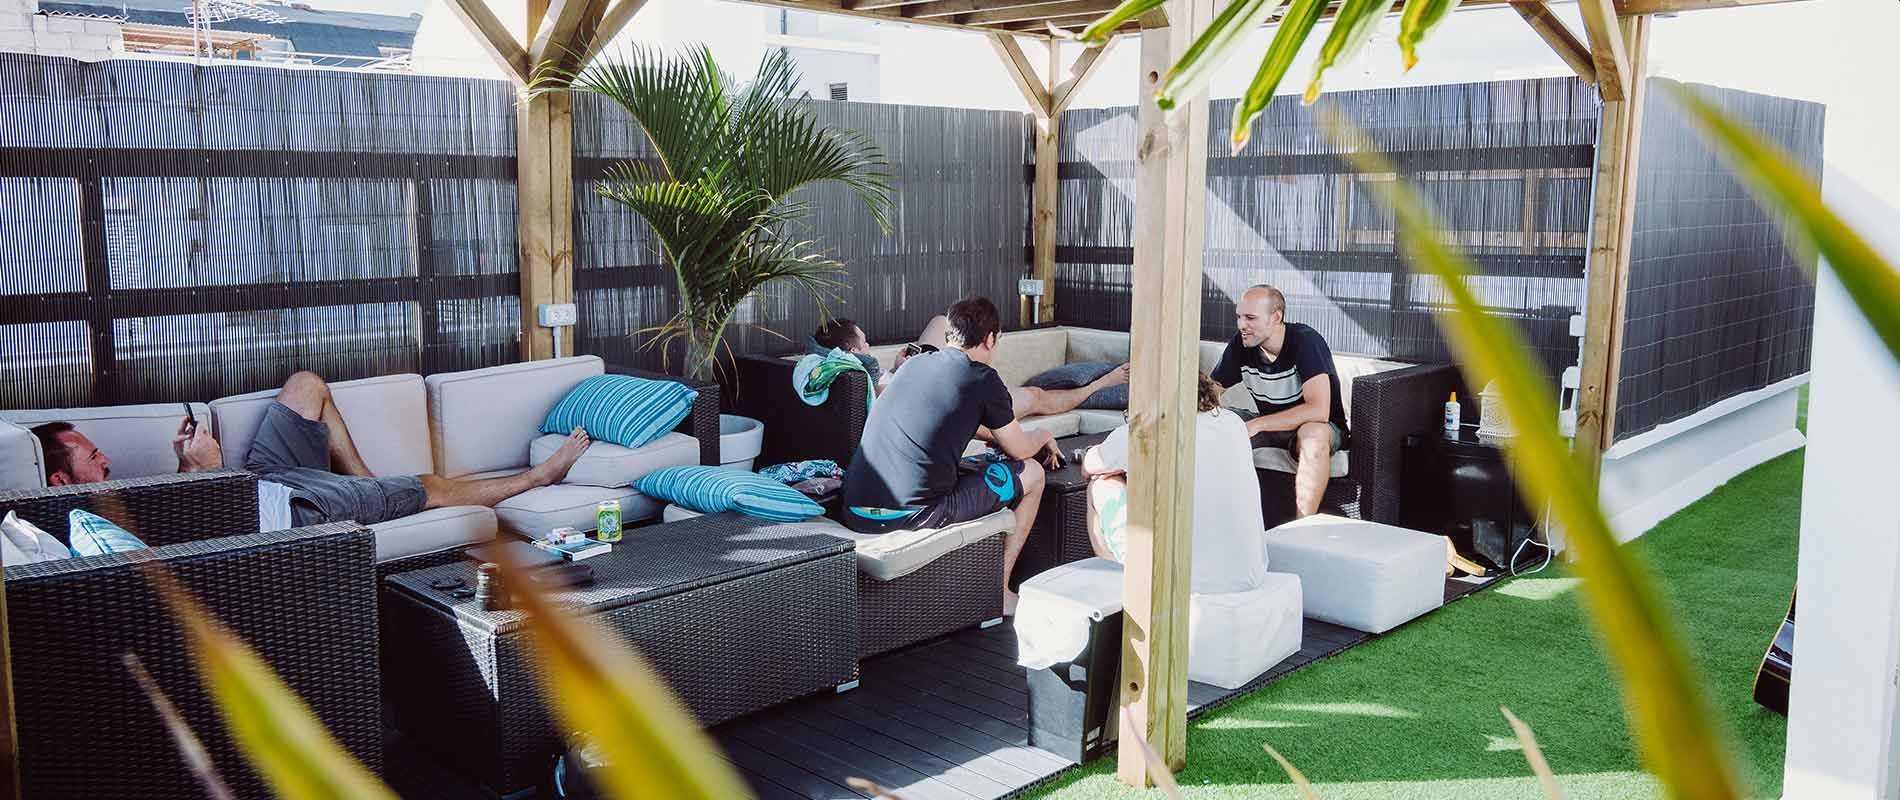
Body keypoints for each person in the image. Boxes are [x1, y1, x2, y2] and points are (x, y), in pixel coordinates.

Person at [31, 371, 592, 528]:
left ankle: (367, 484)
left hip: (261, 479)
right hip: (288, 509)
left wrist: (187, 466)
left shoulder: (107, 498)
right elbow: (216, 539)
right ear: (60, 481)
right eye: (90, 457)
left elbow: (187, 507)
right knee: (430, 486)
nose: (105, 459)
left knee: (306, 386)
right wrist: (210, 471)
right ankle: (537, 477)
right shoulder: (94, 527)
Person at [841, 296, 1057, 614]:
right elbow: (1021, 449)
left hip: (853, 509)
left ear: (948, 335)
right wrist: (1044, 435)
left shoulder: (913, 365)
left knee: (975, 465)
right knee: (1033, 473)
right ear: (990, 338)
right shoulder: (983, 378)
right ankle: (999, 593)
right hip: (909, 515)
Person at [1076, 371, 1265, 594]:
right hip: (1249, 573)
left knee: (1100, 485)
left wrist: (1114, 461)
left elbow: (1089, 467)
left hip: (1182, 582)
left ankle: (1117, 587)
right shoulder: (1234, 422)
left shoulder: (1144, 431)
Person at [1211, 284, 1349, 518]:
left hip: (1317, 427)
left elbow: (1318, 410)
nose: (1241, 325)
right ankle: (1215, 517)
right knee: (1213, 419)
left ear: (1276, 317)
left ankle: (1301, 528)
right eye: (1239, 317)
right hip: (1270, 424)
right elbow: (1211, 390)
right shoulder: (1241, 344)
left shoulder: (1305, 341)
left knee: (1313, 434)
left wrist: (1257, 425)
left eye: (1250, 318)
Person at [885, 314, 1130, 421]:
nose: (868, 346)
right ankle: (1100, 383)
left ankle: (947, 371)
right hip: (943, 399)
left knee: (941, 322)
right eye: (866, 344)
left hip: (932, 381)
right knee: (1035, 396)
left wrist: (901, 370)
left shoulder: (875, 376)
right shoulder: (871, 383)